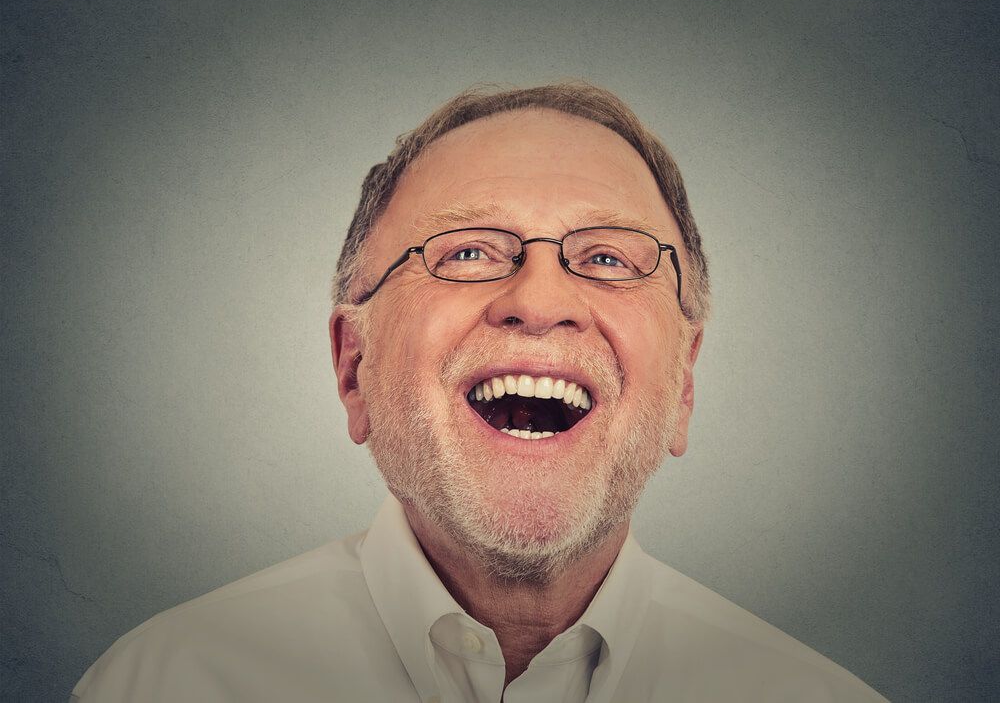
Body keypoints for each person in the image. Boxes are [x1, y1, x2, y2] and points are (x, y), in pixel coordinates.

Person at [72, 83, 886, 702]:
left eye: (608, 258)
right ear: (353, 367)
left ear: (682, 387)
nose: (540, 299)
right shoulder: (159, 684)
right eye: (465, 253)